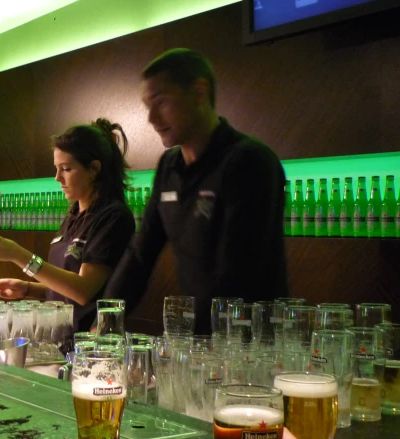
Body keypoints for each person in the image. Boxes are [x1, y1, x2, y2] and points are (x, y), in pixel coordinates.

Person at [104, 49, 288, 334]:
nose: (151, 117)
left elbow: (239, 271)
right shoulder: (169, 166)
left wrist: (187, 343)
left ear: (199, 92)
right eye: (146, 106)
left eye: (160, 102)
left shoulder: (249, 160)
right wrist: (105, 321)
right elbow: (140, 253)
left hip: (251, 341)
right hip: (199, 340)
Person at [0, 119, 136, 332]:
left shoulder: (113, 217)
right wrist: (28, 288)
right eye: (57, 169)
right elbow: (66, 289)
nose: (57, 177)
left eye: (66, 169)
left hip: (89, 347)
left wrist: (17, 254)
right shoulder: (75, 216)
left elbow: (83, 291)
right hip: (60, 341)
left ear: (94, 169)